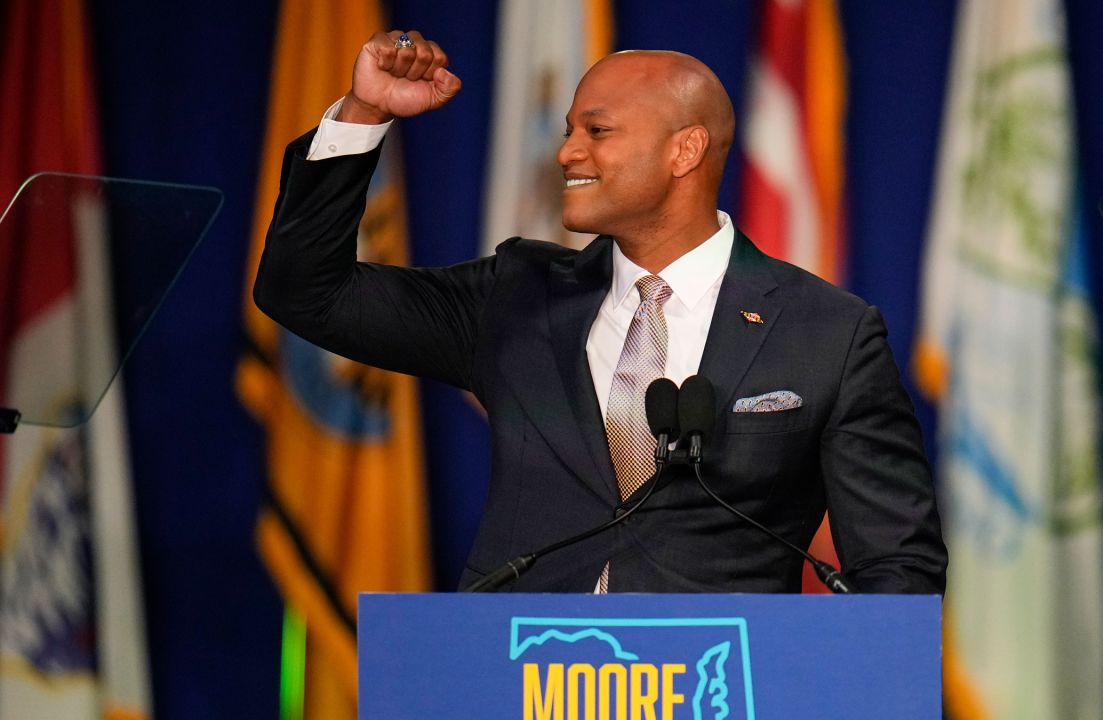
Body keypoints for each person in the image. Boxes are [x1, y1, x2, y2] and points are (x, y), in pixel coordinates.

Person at [254, 30, 946, 594]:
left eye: (597, 130)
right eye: (567, 129)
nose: (565, 152)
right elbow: (305, 292)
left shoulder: (828, 332)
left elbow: (896, 566)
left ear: (685, 150)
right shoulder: (517, 294)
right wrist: (362, 116)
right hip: (520, 685)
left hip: (720, 690)